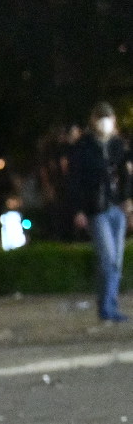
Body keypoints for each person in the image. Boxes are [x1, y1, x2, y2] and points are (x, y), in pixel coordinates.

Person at [68, 103, 132, 323]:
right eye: (101, 117)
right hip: (96, 210)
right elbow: (75, 181)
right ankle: (106, 308)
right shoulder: (83, 147)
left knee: (116, 261)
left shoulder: (117, 145)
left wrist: (127, 199)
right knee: (107, 259)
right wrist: (77, 210)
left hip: (117, 208)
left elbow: (125, 175)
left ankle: (110, 306)